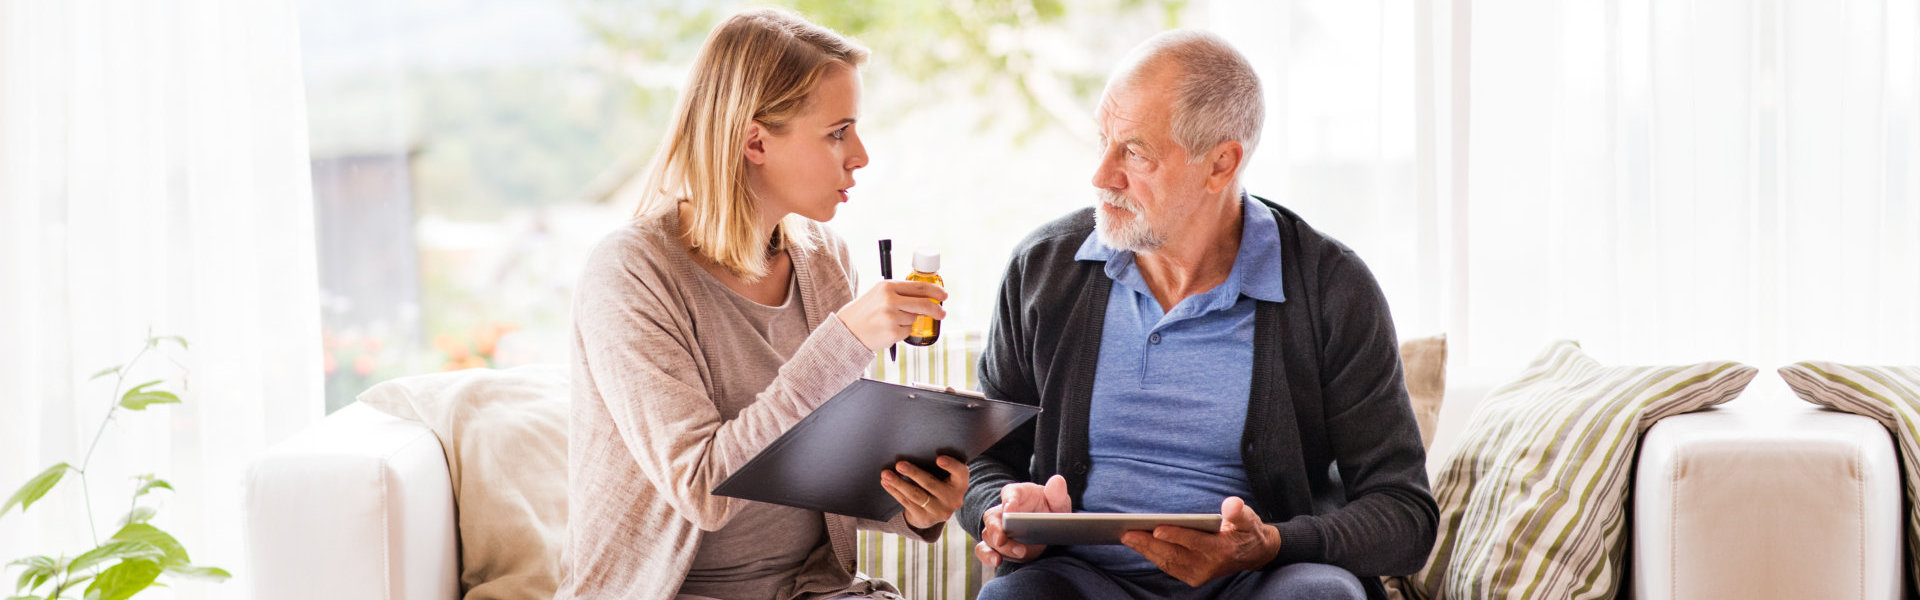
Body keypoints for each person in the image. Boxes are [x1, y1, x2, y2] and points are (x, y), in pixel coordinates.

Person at [961, 30, 1437, 600]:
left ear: (1220, 164)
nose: (1101, 175)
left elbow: (1405, 515)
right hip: (1082, 579)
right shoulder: (1044, 269)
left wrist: (1274, 544)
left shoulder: (1331, 287)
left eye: (1134, 152)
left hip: (1261, 583)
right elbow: (983, 462)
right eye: (1103, 143)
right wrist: (1002, 511)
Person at [556, 9, 965, 600]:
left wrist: (917, 506)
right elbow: (703, 490)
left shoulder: (825, 258)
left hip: (815, 590)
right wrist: (841, 344)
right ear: (754, 141)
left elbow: (826, 461)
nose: (861, 156)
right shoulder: (631, 272)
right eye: (837, 132)